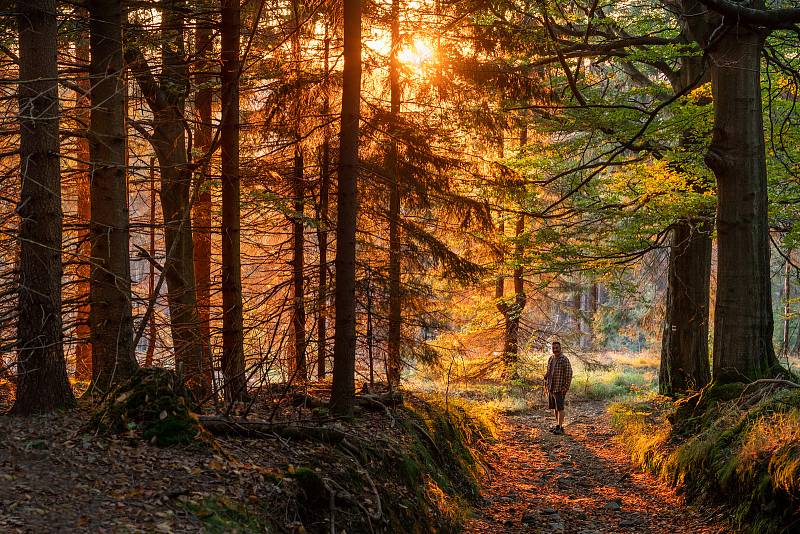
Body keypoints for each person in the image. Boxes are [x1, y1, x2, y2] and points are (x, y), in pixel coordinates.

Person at [544, 341, 572, 435]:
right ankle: (558, 426)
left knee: (560, 408)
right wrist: (546, 377)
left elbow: (569, 374)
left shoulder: (564, 359)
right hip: (551, 387)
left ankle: (560, 427)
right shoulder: (551, 358)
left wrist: (565, 388)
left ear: (560, 348)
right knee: (555, 408)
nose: (555, 349)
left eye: (557, 348)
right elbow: (549, 371)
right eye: (554, 348)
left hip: (559, 388)